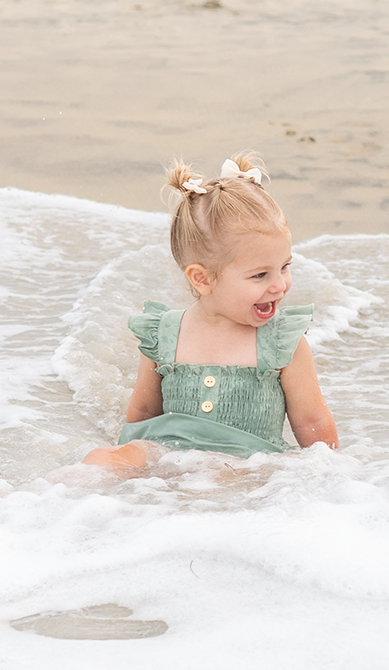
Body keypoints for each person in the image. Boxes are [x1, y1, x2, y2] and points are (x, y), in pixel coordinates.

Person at [82, 155, 336, 470]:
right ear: (202, 279)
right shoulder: (163, 335)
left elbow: (313, 423)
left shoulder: (283, 344)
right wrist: (136, 487)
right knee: (99, 459)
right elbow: (144, 416)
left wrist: (333, 477)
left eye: (284, 267)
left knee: (217, 477)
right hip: (168, 458)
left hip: (245, 465)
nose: (280, 285)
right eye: (260, 275)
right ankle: (37, 506)